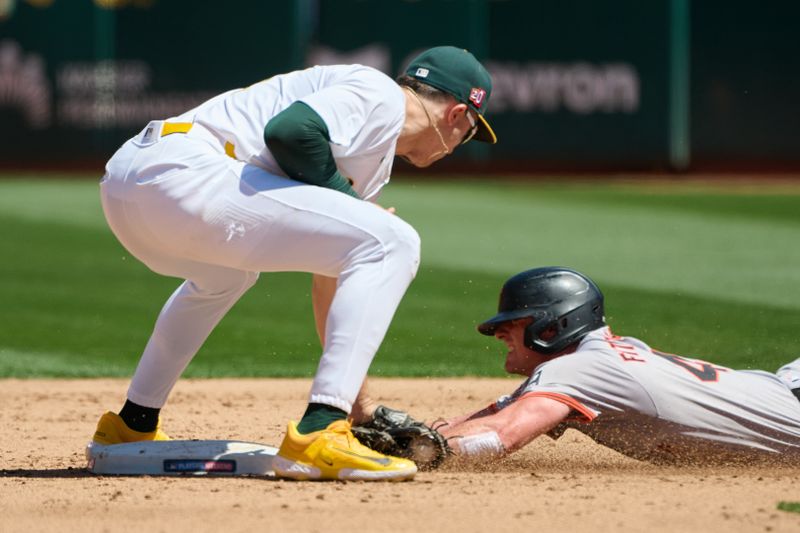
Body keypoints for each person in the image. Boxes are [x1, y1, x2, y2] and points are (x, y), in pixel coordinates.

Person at [90, 45, 497, 481]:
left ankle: (132, 423)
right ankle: (318, 434)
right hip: (182, 174)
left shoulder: (373, 161)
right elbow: (289, 131)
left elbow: (333, 281)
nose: (460, 146)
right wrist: (355, 205)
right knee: (394, 241)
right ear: (457, 115)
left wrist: (359, 409)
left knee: (225, 276)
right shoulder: (381, 94)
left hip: (132, 192)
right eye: (471, 132)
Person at [436, 267, 800, 465]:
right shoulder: (591, 360)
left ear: (551, 327)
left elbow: (497, 436)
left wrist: (420, 450)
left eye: (512, 322)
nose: (498, 332)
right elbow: (480, 421)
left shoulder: (579, 369)